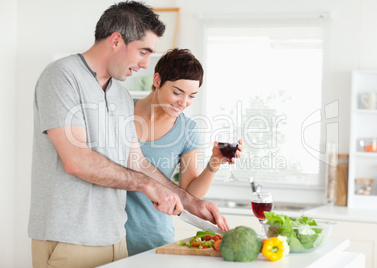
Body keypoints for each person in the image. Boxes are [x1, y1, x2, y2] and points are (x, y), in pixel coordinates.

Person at [28, 2, 229, 268]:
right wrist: (148, 186)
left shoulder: (120, 94)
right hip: (70, 237)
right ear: (116, 40)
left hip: (116, 238)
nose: (146, 64)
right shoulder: (63, 76)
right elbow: (77, 160)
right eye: (143, 52)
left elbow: (137, 161)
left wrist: (190, 202)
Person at [125, 48, 242, 255]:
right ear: (157, 79)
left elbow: (189, 195)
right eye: (177, 92)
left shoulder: (187, 131)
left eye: (191, 96)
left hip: (153, 237)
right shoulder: (121, 111)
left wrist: (214, 163)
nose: (184, 103)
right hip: (109, 236)